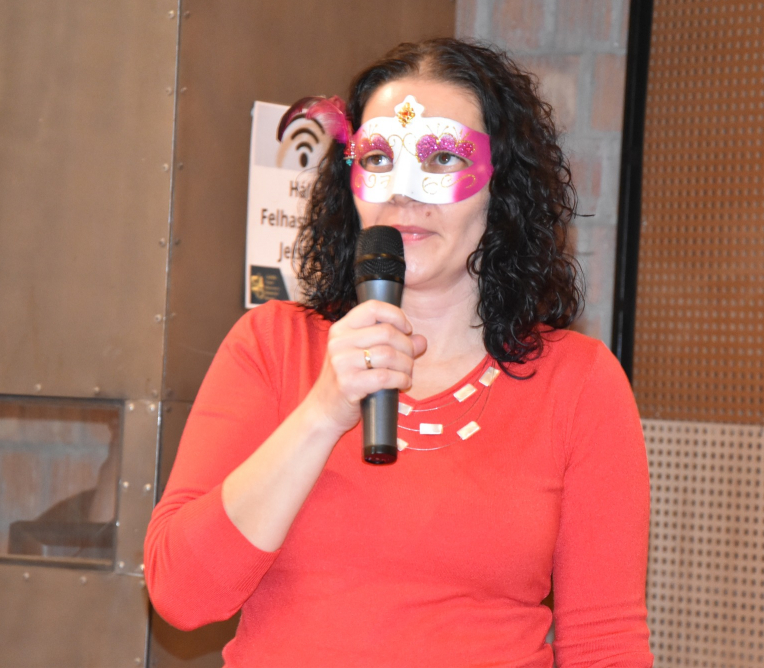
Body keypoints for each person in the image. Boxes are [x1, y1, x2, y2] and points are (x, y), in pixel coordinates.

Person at [144, 38, 653, 667]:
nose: (404, 192)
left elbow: (606, 643)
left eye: (442, 157)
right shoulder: (271, 346)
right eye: (380, 157)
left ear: (501, 186)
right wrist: (321, 412)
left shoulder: (579, 382)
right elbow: (181, 595)